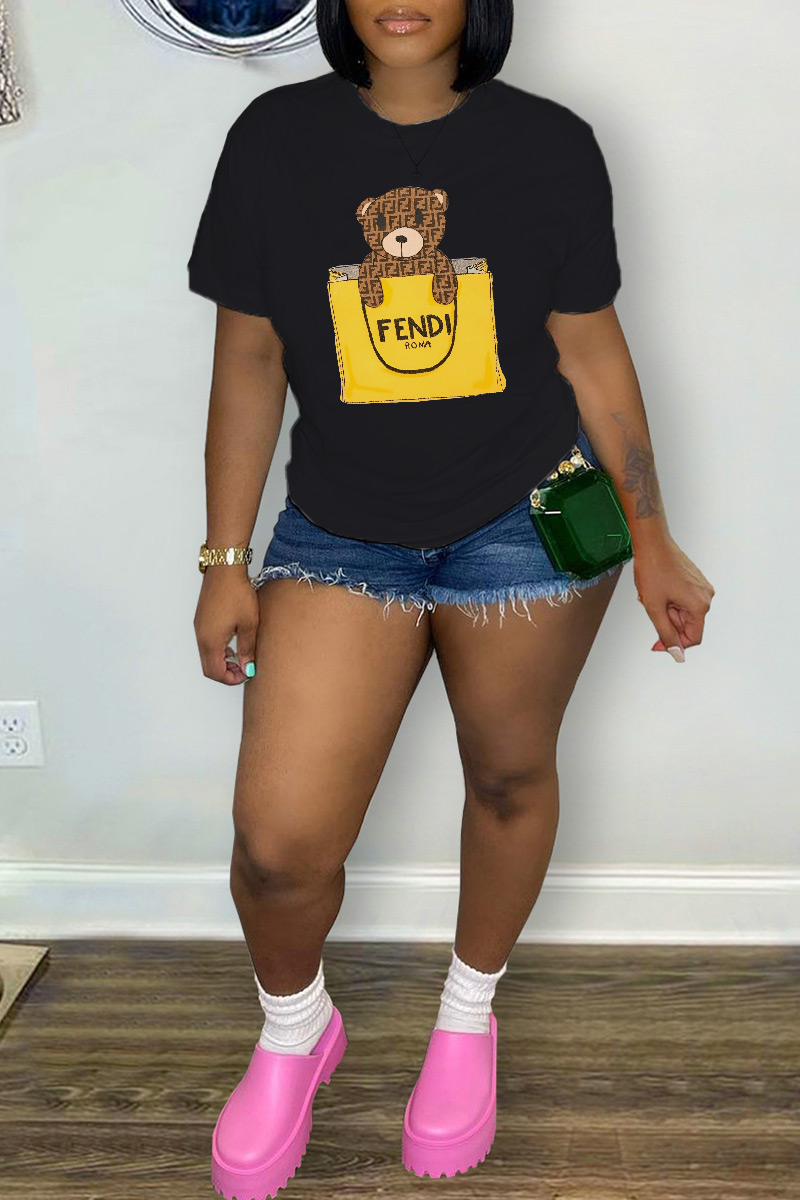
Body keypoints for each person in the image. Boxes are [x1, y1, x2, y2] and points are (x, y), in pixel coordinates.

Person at [187, 2, 715, 1196]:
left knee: (508, 776)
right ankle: (294, 1032)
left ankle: (467, 1014)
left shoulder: (549, 144)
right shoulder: (273, 140)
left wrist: (650, 536)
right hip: (341, 537)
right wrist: (224, 558)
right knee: (277, 845)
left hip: (526, 525)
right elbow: (250, 357)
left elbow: (588, 349)